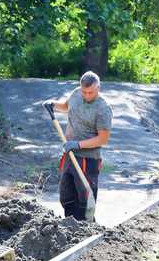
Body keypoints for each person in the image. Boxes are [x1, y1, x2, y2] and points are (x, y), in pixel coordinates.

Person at [43, 71, 113, 221]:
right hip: (70, 155)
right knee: (66, 194)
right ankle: (70, 226)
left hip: (88, 160)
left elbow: (103, 139)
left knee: (85, 198)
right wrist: (53, 105)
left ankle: (86, 227)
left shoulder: (103, 108)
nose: (87, 95)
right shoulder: (76, 94)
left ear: (98, 88)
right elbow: (67, 107)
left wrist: (78, 145)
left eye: (91, 92)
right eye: (84, 92)